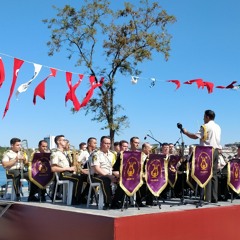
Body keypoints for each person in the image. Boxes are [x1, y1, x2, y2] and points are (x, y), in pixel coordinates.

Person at [182, 109, 221, 203]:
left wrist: (186, 132)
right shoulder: (218, 126)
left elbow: (195, 136)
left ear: (207, 117)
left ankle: (206, 197)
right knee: (214, 175)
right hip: (216, 150)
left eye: (204, 116)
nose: (203, 118)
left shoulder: (205, 126)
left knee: (205, 173)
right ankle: (214, 197)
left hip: (207, 152)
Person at [50, 135, 85, 205]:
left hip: (69, 173)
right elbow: (53, 168)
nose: (65, 141)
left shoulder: (65, 153)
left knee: (85, 177)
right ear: (58, 142)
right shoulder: (55, 153)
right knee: (78, 179)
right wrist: (68, 168)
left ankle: (83, 197)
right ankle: (74, 199)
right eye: (63, 140)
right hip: (63, 174)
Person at [89, 136, 117, 210]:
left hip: (110, 174)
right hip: (97, 176)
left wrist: (116, 175)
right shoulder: (96, 154)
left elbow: (114, 167)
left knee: (122, 179)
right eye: (106, 143)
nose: (108, 145)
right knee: (106, 180)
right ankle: (107, 203)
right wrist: (109, 176)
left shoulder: (112, 154)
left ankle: (116, 201)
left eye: (109, 143)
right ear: (101, 143)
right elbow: (97, 168)